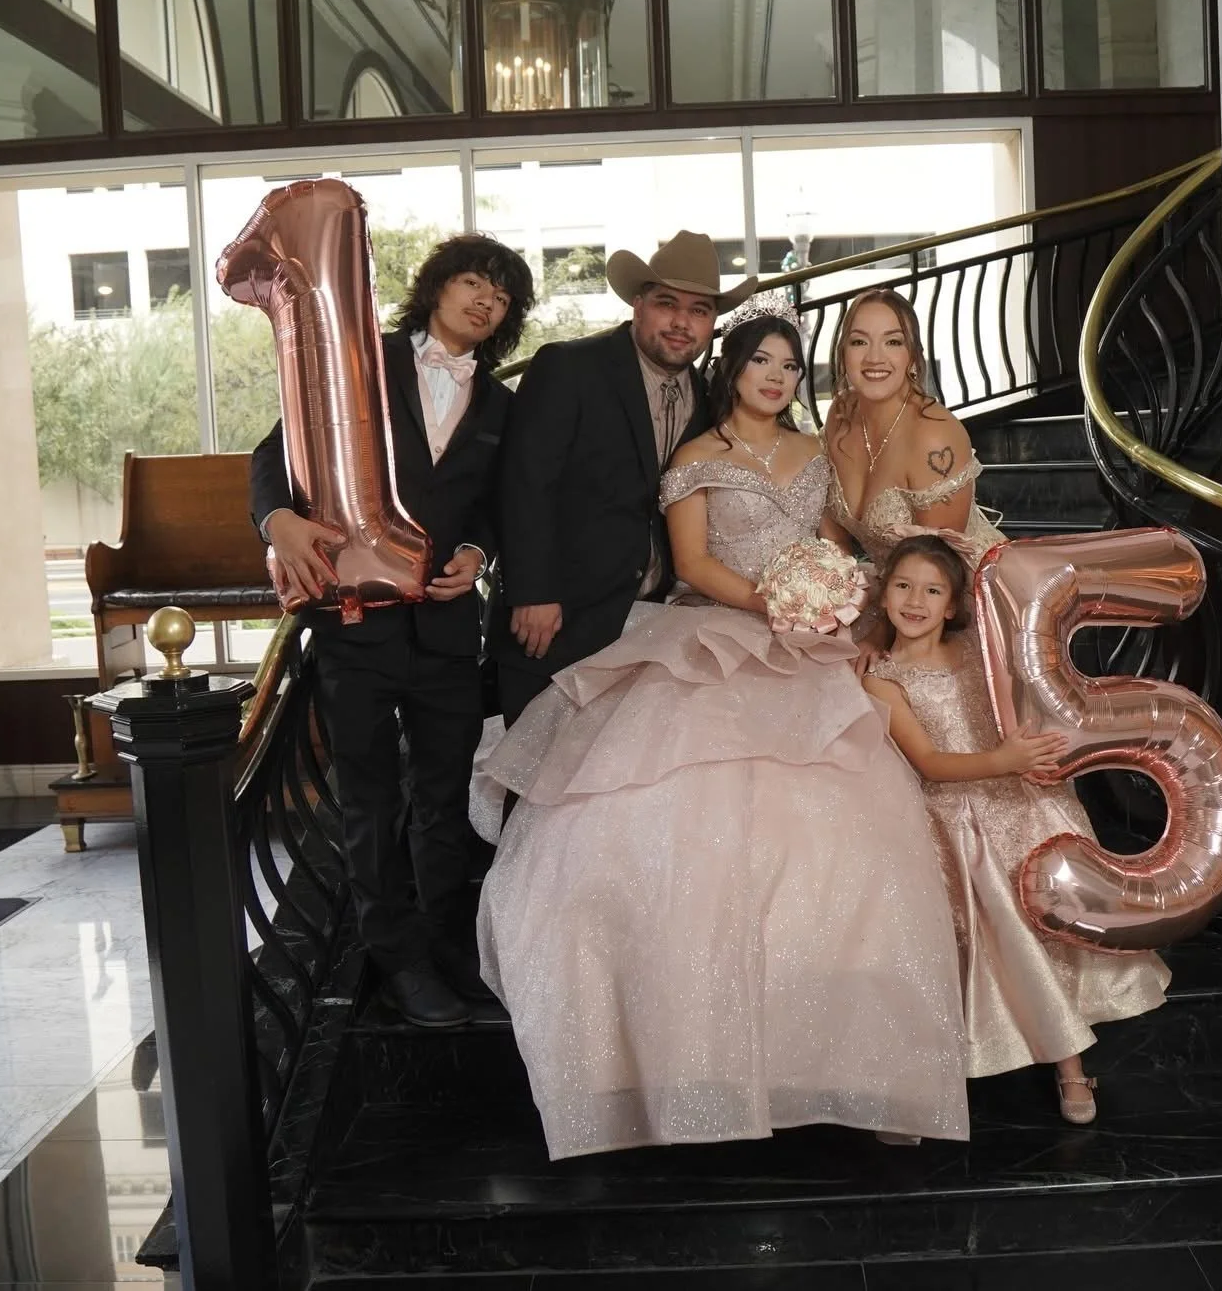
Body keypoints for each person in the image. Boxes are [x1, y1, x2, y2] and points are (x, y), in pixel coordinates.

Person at [476, 298, 970, 1161]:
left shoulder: (817, 455)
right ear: (731, 372)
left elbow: (832, 548)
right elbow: (696, 562)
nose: (775, 378)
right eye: (759, 363)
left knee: (842, 849)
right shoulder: (697, 456)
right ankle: (676, 1059)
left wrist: (827, 603)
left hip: (809, 647)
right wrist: (773, 602)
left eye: (788, 365)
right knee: (683, 846)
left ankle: (830, 1059)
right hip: (710, 634)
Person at [250, 233, 535, 1030]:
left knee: (443, 801)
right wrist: (278, 523)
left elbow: (491, 507)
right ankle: (396, 957)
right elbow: (276, 453)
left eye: (503, 296)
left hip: (447, 629)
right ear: (438, 286)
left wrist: (478, 552)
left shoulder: (502, 405)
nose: (486, 301)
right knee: (370, 801)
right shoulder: (362, 362)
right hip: (356, 626)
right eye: (474, 282)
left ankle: (445, 949)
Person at [862, 535, 1172, 1124]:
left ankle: (1073, 1068)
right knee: (1000, 940)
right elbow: (929, 762)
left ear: (953, 604)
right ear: (884, 594)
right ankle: (936, 1076)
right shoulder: (884, 678)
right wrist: (1003, 761)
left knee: (1050, 925)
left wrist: (1035, 758)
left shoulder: (979, 649)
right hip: (962, 820)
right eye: (903, 586)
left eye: (932, 590)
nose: (915, 601)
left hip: (1025, 802)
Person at [492, 231, 749, 724]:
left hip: (648, 629)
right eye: (667, 304)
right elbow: (525, 485)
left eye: (699, 311)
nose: (681, 322)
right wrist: (531, 593)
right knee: (534, 789)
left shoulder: (708, 396)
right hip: (555, 621)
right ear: (638, 303)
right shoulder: (570, 366)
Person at [822, 288, 1005, 572]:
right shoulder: (841, 414)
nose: (874, 358)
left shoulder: (934, 435)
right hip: (894, 589)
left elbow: (939, 567)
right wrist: (839, 588)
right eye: (859, 342)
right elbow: (834, 536)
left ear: (912, 356)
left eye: (893, 342)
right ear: (843, 352)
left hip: (963, 592)